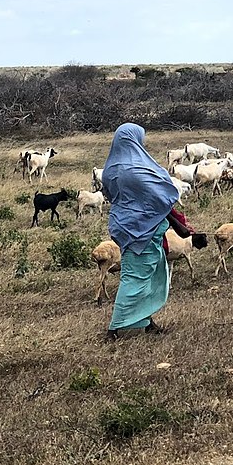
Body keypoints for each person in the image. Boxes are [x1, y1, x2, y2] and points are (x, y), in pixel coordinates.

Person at [101, 123, 190, 340]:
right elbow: (161, 198)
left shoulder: (111, 169)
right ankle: (114, 328)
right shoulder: (139, 169)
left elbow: (112, 196)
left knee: (148, 276)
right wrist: (178, 225)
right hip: (143, 230)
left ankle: (147, 322)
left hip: (123, 226)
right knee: (134, 277)